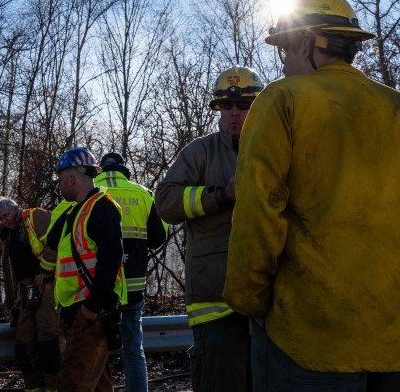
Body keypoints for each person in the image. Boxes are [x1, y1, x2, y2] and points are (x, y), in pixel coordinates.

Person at [222, 0, 400, 392]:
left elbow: (260, 207)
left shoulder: (280, 100)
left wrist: (250, 299)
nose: (285, 63)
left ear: (308, 43)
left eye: (286, 51)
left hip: (309, 343)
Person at [155, 66, 263, 392]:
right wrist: (219, 196)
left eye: (243, 105)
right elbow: (165, 201)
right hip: (216, 308)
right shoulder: (201, 152)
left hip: (268, 307)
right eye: (226, 106)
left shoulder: (274, 150)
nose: (234, 113)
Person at [44, 148, 127, 392]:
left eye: (61, 179)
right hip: (77, 312)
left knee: (73, 383)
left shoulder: (102, 208)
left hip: (90, 313)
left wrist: (90, 308)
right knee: (98, 385)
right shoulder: (75, 211)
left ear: (71, 179)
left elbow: (110, 262)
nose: (59, 186)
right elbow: (51, 240)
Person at [94, 152, 168, 392]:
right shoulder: (144, 194)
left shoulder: (88, 191)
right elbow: (158, 238)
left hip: (97, 286)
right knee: (133, 350)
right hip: (133, 284)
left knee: (93, 353)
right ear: (125, 170)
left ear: (100, 170)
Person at [0, 197, 61, 392]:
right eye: (0, 218)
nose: (4, 221)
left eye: (6, 215)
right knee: (24, 345)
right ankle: (33, 388)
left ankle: (54, 387)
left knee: (48, 341)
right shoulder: (7, 235)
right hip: (23, 291)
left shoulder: (36, 217)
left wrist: (46, 269)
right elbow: (10, 272)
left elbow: (57, 241)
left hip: (45, 284)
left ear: (16, 209)